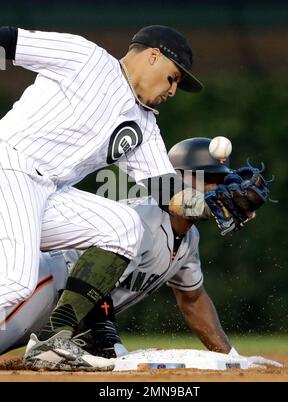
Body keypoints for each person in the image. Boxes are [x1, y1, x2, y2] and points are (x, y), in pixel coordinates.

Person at [0, 25, 205, 370]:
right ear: (153, 56)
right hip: (11, 164)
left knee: (123, 226)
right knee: (18, 279)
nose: (173, 90)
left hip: (46, 192)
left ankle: (53, 340)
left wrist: (209, 205)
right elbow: (9, 40)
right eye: (173, 78)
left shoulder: (142, 125)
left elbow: (166, 190)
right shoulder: (86, 58)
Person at [0, 138, 272, 368]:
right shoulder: (143, 218)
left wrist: (231, 358)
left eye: (221, 179)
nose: (217, 187)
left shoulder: (190, 239)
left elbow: (193, 301)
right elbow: (91, 270)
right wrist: (109, 339)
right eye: (208, 177)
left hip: (62, 314)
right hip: (39, 285)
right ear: (175, 178)